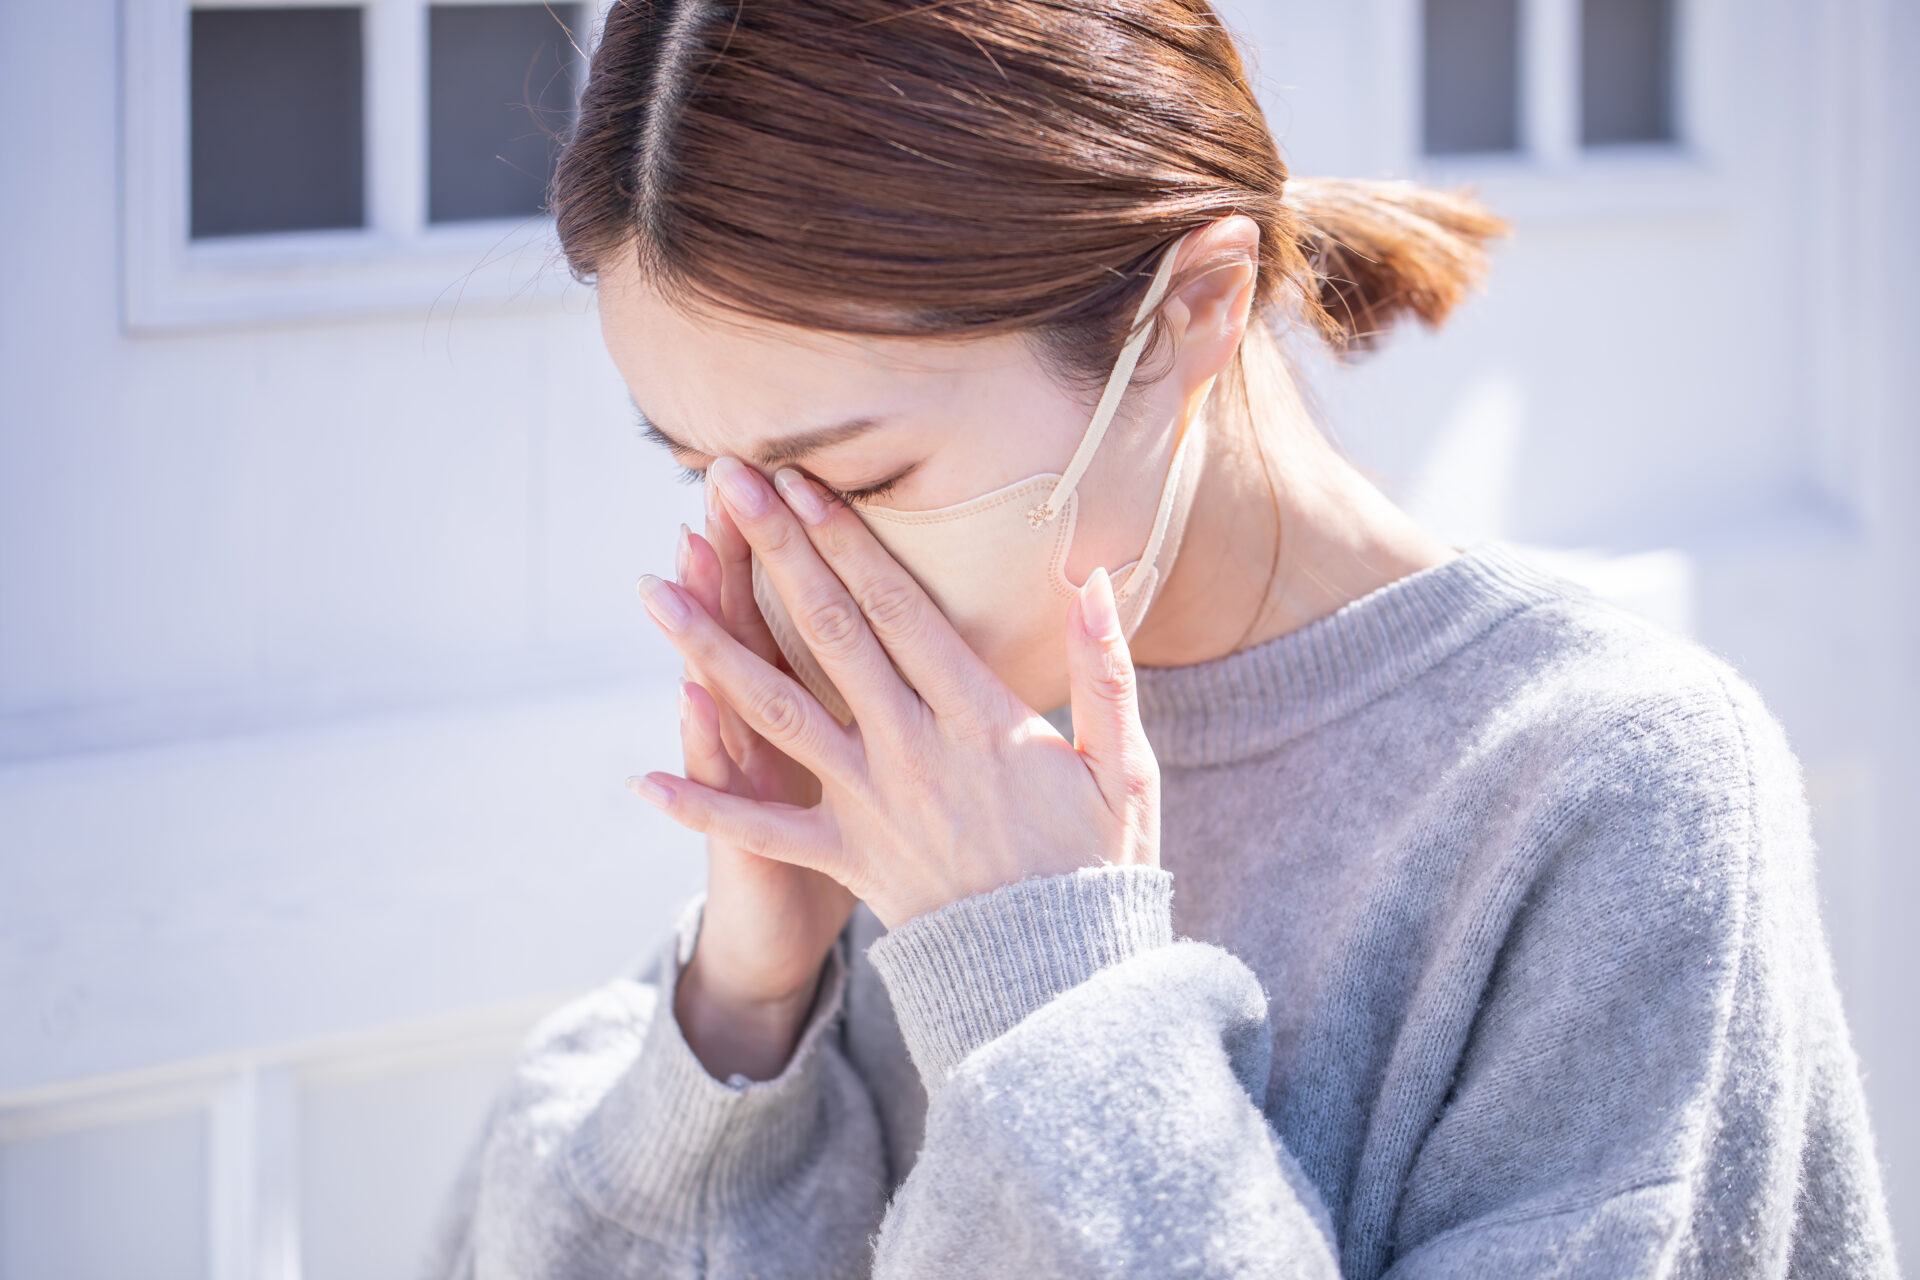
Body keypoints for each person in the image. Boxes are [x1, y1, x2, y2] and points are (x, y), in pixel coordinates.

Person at [421, 0, 1899, 1276]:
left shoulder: (1607, 788)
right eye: (709, 478)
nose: (793, 577)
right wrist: (744, 1011)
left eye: (862, 480)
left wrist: (1042, 992)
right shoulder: (902, 780)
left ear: (1193, 309)